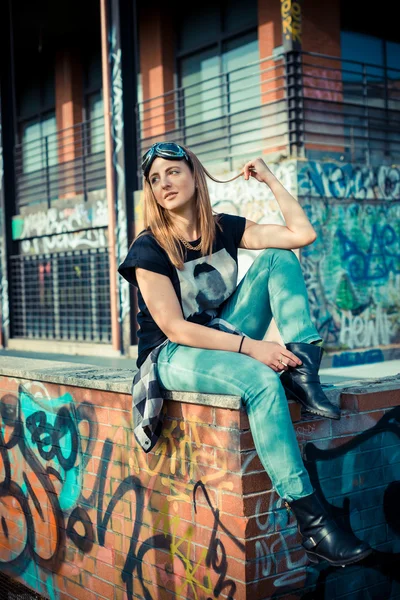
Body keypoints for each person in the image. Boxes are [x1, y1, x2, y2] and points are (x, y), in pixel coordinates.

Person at [118, 141, 372, 567]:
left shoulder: (223, 227)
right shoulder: (148, 249)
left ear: (193, 174)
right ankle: (313, 524)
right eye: (155, 179)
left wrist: (271, 179)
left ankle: (304, 369)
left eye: (172, 172)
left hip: (221, 332)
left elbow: (302, 235)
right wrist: (253, 348)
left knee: (277, 256)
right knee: (259, 380)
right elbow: (175, 327)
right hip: (172, 353)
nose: (165, 183)